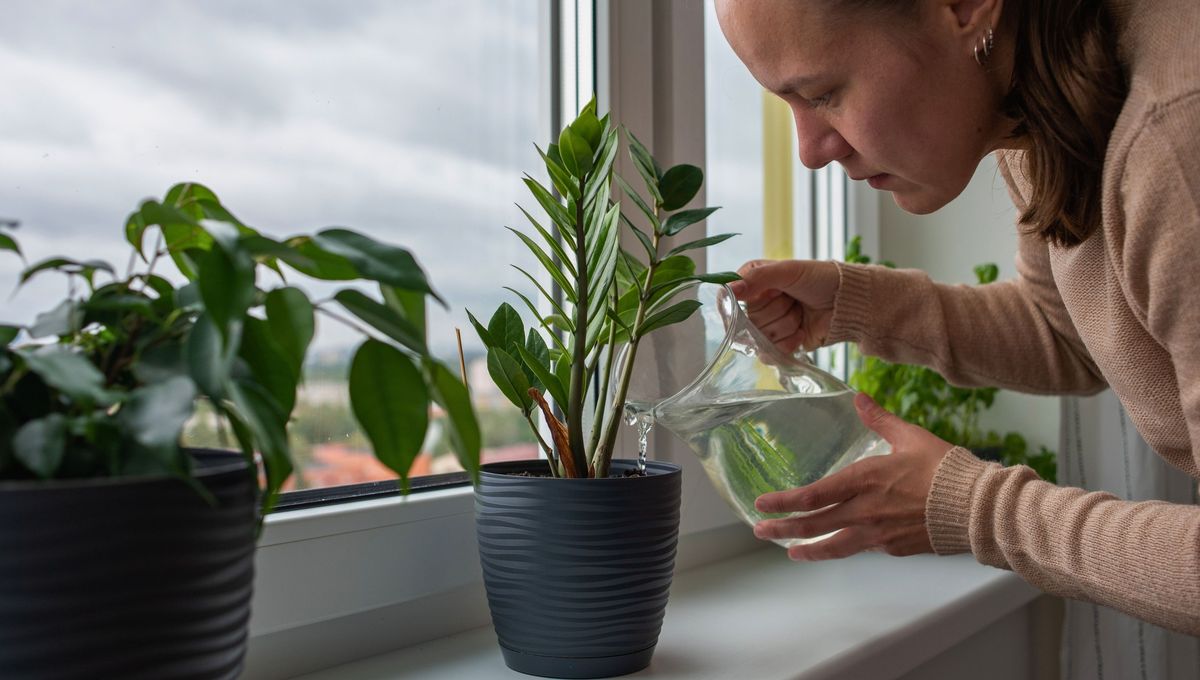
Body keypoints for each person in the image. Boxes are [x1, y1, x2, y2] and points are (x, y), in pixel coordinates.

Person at [717, 0, 1200, 636]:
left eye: (824, 93)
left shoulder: (1175, 140)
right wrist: (855, 303)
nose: (809, 151)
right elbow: (1074, 335)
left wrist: (978, 508)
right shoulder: (1034, 95)